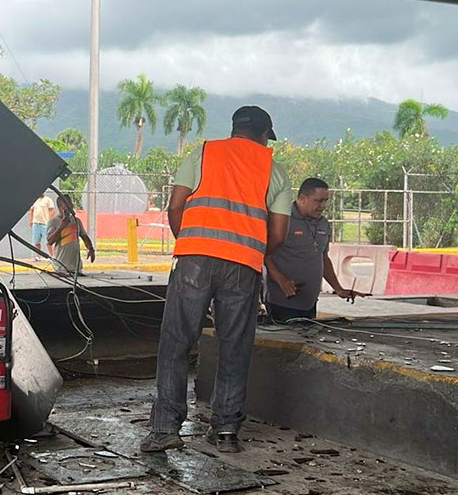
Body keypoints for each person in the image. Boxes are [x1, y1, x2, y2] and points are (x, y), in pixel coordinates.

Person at [141, 106, 292, 454]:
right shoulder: (274, 170)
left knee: (176, 341)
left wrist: (191, 243)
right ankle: (225, 430)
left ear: (235, 128)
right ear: (263, 133)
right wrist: (250, 249)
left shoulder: (203, 153)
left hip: (194, 257)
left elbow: (175, 206)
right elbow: (279, 233)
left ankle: (165, 428)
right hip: (244, 265)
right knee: (234, 345)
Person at [266, 178, 369, 320]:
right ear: (302, 199)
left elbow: (323, 258)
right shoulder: (282, 220)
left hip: (309, 302)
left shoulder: (324, 224)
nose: (323, 206)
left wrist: (338, 288)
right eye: (318, 201)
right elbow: (264, 254)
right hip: (282, 302)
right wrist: (280, 279)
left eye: (326, 200)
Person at [46, 195, 95, 275]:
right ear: (60, 206)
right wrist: (61, 226)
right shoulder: (53, 222)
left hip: (76, 267)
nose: (71, 205)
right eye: (67, 203)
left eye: (70, 202)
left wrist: (91, 249)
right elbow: (50, 241)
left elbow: (84, 236)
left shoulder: (76, 221)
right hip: (61, 267)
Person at [28, 194, 56, 259]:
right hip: (36, 223)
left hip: (45, 224)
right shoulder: (35, 200)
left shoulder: (48, 200)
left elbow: (52, 211)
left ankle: (51, 256)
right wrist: (30, 220)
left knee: (48, 241)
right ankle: (38, 256)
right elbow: (31, 210)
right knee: (36, 241)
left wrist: (50, 221)